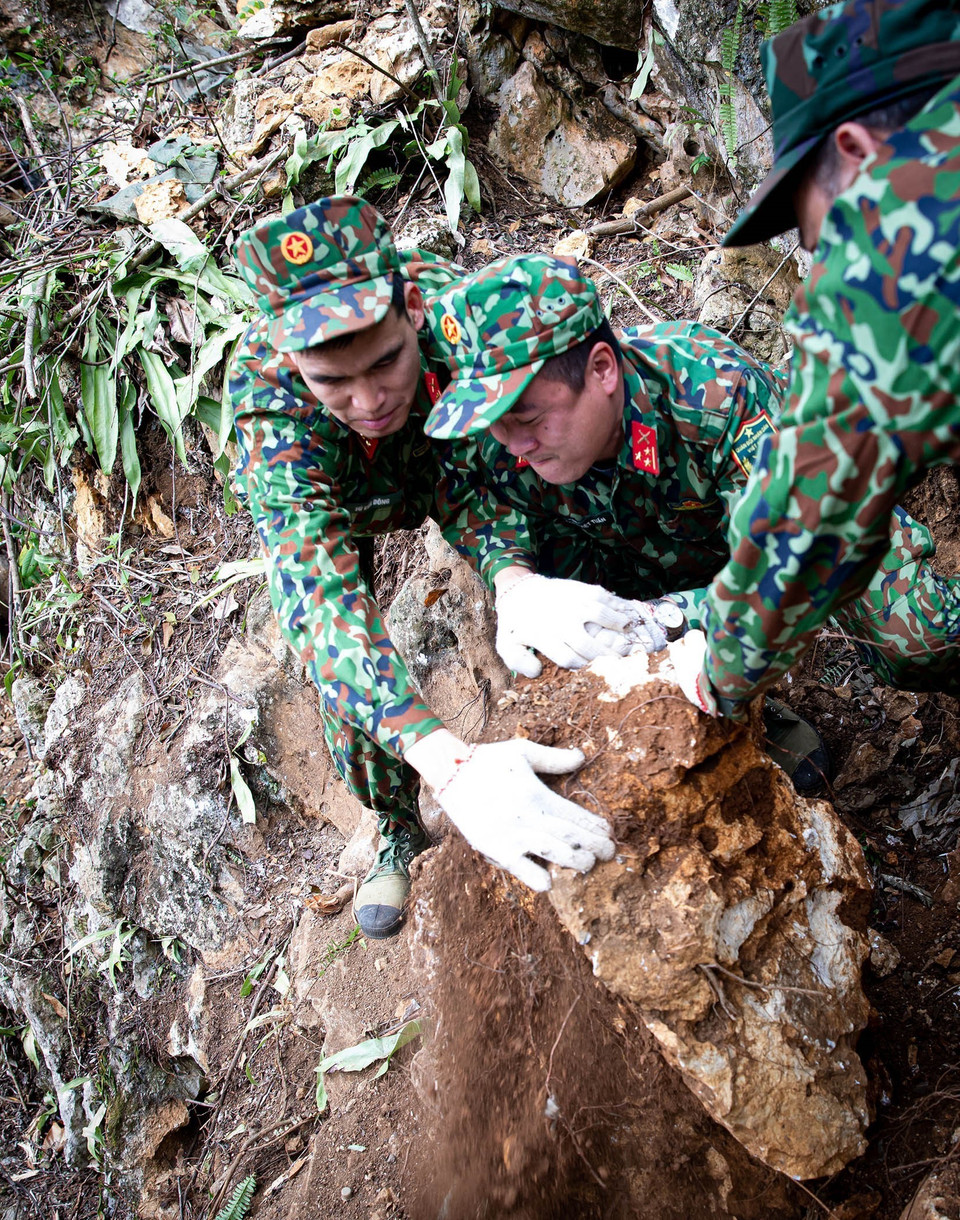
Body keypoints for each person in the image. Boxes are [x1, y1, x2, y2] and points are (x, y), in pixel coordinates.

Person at [229, 198, 618, 939]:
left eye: (384, 362)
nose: (369, 400)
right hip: (343, 499)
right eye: (331, 381)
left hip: (445, 456)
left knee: (563, 536)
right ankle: (395, 829)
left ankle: (652, 689)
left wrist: (514, 576)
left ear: (412, 308)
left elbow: (486, 481)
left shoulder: (456, 317)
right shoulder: (269, 409)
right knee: (353, 683)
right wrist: (449, 763)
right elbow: (320, 599)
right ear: (291, 362)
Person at [420, 253, 960, 773]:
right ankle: (734, 726)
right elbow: (469, 504)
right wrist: (515, 584)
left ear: (603, 370)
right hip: (645, 568)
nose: (514, 444)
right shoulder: (503, 438)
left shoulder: (713, 392)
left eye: (529, 417)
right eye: (494, 424)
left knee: (918, 639)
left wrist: (668, 620)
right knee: (564, 638)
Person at [687, 0, 960, 717]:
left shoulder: (897, 222)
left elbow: (808, 525)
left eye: (814, 235)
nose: (817, 260)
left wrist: (717, 672)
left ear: (854, 150)